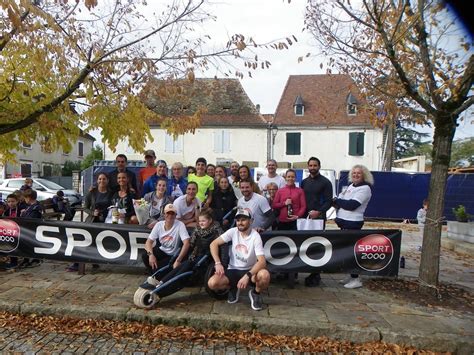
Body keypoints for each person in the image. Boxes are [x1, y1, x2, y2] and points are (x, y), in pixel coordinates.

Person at [207, 208, 271, 311]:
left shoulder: (255, 236)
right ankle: (233, 287)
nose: (240, 223)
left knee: (264, 275)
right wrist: (217, 263)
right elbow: (213, 244)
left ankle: (255, 293)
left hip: (250, 271)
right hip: (233, 269)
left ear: (251, 221)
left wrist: (247, 276)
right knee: (212, 283)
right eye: (238, 220)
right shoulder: (233, 231)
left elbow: (262, 261)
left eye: (243, 220)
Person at [150, 208, 223, 286]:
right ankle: (160, 280)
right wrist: (179, 257)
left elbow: (220, 246)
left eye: (203, 221)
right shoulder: (197, 230)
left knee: (186, 264)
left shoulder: (216, 230)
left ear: (210, 220)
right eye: (200, 221)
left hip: (207, 256)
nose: (201, 223)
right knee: (177, 262)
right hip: (195, 254)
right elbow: (191, 244)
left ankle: (165, 282)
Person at [333, 164, 373, 289]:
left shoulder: (365, 188)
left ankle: (356, 278)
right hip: (343, 222)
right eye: (354, 173)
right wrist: (339, 202)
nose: (355, 175)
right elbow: (341, 200)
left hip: (353, 222)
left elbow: (351, 205)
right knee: (346, 250)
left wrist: (338, 201)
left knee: (352, 251)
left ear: (364, 175)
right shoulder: (351, 186)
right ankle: (350, 275)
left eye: (359, 173)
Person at [301, 157, 333, 287]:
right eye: (310, 165)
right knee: (304, 244)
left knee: (316, 245)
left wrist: (318, 212)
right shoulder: (304, 182)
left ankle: (316, 274)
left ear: (319, 166)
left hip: (318, 218)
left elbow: (328, 201)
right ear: (308, 167)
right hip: (304, 218)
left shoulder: (326, 182)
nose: (313, 167)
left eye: (315, 165)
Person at [143, 204, 190, 275]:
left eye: (172, 213)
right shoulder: (159, 224)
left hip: (173, 254)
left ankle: (155, 275)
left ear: (175, 215)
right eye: (168, 213)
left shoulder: (180, 225)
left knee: (159, 271)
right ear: (164, 214)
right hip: (162, 251)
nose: (170, 216)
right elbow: (148, 242)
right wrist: (151, 255)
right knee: (145, 256)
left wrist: (178, 260)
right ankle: (152, 274)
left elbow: (186, 243)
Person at [19, 189, 42, 268]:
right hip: (28, 230)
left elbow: (31, 219)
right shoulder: (31, 206)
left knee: (29, 244)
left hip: (32, 230)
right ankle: (26, 259)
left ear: (28, 198)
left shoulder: (36, 208)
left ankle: (35, 259)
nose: (25, 200)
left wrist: (24, 214)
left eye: (25, 198)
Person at [2, 194, 21, 270]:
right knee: (10, 246)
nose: (11, 203)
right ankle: (10, 260)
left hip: (19, 232)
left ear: (17, 201)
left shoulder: (20, 210)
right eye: (9, 201)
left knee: (14, 245)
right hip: (9, 232)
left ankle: (14, 262)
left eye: (13, 201)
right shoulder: (6, 211)